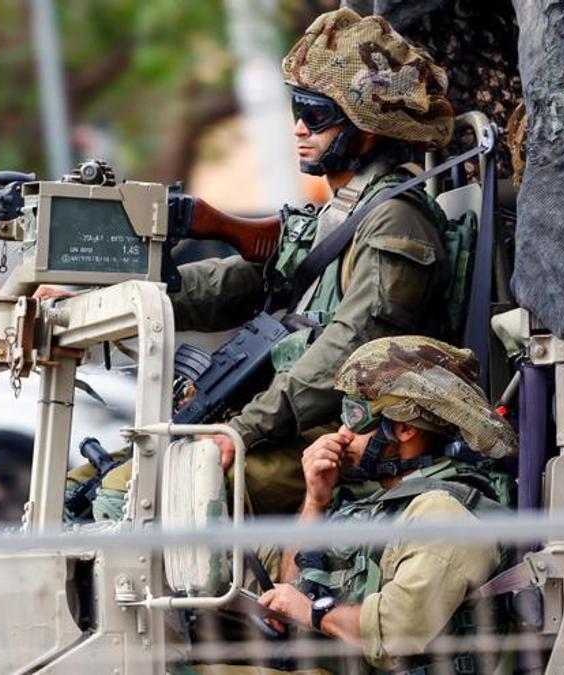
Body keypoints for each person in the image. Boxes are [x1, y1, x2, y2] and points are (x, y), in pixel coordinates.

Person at [53, 8, 459, 517]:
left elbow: (346, 351)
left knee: (131, 499)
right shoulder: (334, 215)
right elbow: (230, 284)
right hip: (286, 422)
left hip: (343, 437)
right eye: (297, 109)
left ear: (366, 130)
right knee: (79, 486)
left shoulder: (395, 222)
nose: (297, 128)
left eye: (316, 116)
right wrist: (104, 301)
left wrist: (242, 429)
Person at [254, 335, 516, 672]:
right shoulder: (376, 501)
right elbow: (292, 586)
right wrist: (315, 501)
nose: (342, 432)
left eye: (356, 415)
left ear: (405, 430)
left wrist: (313, 614)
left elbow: (396, 635)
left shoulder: (443, 514)